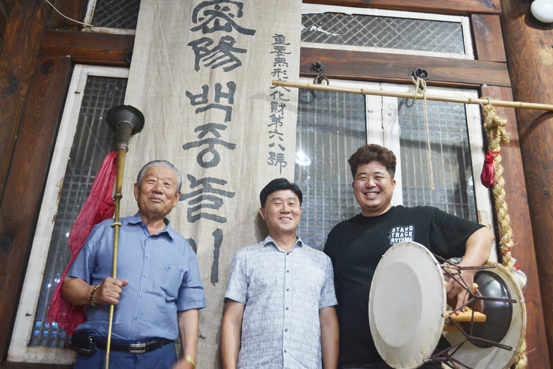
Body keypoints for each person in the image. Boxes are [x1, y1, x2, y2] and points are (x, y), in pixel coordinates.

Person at [323, 145, 495, 369]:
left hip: (418, 358)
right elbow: (328, 306)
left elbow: (482, 235)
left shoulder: (422, 219)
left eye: (378, 176)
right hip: (356, 360)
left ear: (393, 184)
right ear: (354, 186)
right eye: (361, 177)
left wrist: (466, 269)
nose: (370, 184)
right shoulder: (339, 235)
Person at [61, 160, 206, 369]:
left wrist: (189, 358)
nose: (158, 189)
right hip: (102, 355)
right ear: (137, 191)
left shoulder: (184, 250)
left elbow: (188, 308)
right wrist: (96, 293)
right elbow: (69, 286)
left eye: (167, 185)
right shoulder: (107, 231)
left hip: (159, 359)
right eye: (151, 181)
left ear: (176, 199)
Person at [221, 178, 339, 369]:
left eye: (292, 203)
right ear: (263, 213)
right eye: (277, 203)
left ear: (300, 211)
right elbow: (232, 320)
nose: (286, 209)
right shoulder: (245, 258)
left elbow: (328, 323)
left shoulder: (321, 262)